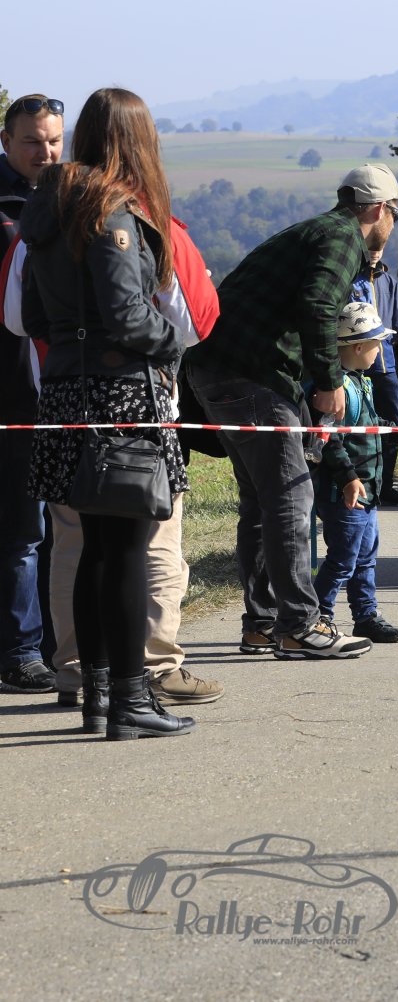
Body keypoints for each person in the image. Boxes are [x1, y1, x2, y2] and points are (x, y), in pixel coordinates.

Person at [19, 87, 195, 737]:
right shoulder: (109, 210)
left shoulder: (50, 208)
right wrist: (174, 343)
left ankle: (97, 693)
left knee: (95, 549)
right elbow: (127, 315)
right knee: (125, 552)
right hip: (119, 396)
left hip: (67, 391)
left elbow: (33, 315)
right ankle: (129, 699)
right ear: (134, 140)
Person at [188, 162, 398, 658]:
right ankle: (300, 626)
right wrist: (329, 381)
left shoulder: (314, 231)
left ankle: (262, 623)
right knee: (291, 497)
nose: (394, 224)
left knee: (260, 502)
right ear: (378, 209)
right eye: (395, 214)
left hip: (215, 370)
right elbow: (318, 306)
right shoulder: (343, 237)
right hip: (254, 376)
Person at [0, 94, 64, 694]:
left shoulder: (67, 199)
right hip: (13, 396)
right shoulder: (5, 211)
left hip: (61, 397)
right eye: (31, 142)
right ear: (5, 142)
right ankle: (20, 653)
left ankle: (49, 646)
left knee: (54, 529)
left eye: (53, 141)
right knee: (23, 532)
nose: (45, 152)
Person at [312, 302, 398, 643]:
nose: (381, 350)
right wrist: (348, 478)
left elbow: (369, 424)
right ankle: (319, 618)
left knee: (366, 558)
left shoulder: (361, 382)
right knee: (342, 560)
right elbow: (329, 441)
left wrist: (396, 433)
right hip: (346, 492)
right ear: (358, 347)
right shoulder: (338, 390)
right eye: (377, 343)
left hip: (367, 490)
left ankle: (366, 615)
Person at [349, 246, 398, 507]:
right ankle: (356, 484)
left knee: (392, 426)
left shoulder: (388, 280)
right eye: (371, 246)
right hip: (354, 364)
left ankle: (386, 486)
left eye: (380, 247)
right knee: (355, 427)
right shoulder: (350, 277)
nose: (375, 251)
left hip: (386, 365)